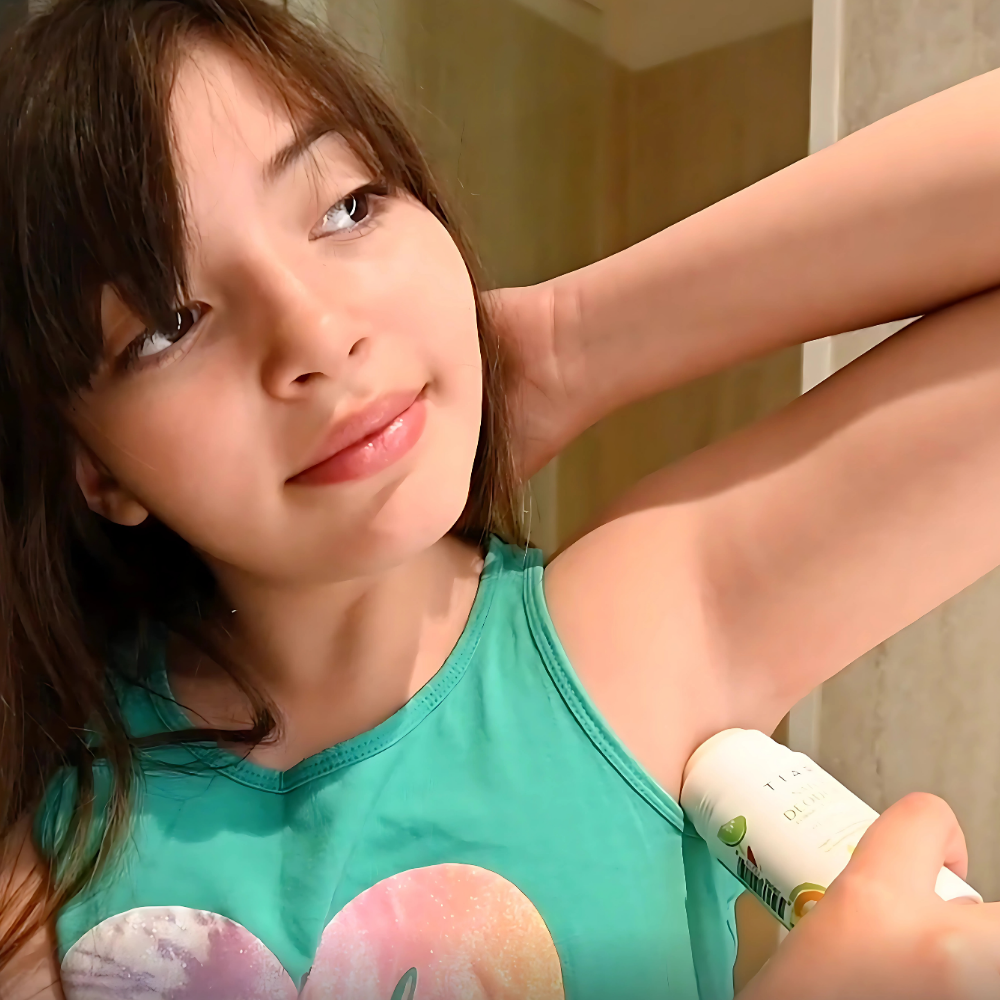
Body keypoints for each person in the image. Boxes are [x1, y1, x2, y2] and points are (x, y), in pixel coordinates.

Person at [3, 0, 1000, 997]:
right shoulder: (53, 848)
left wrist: (573, 339)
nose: (316, 336)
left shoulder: (638, 635)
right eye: (171, 321)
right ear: (97, 467)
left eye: (349, 207)